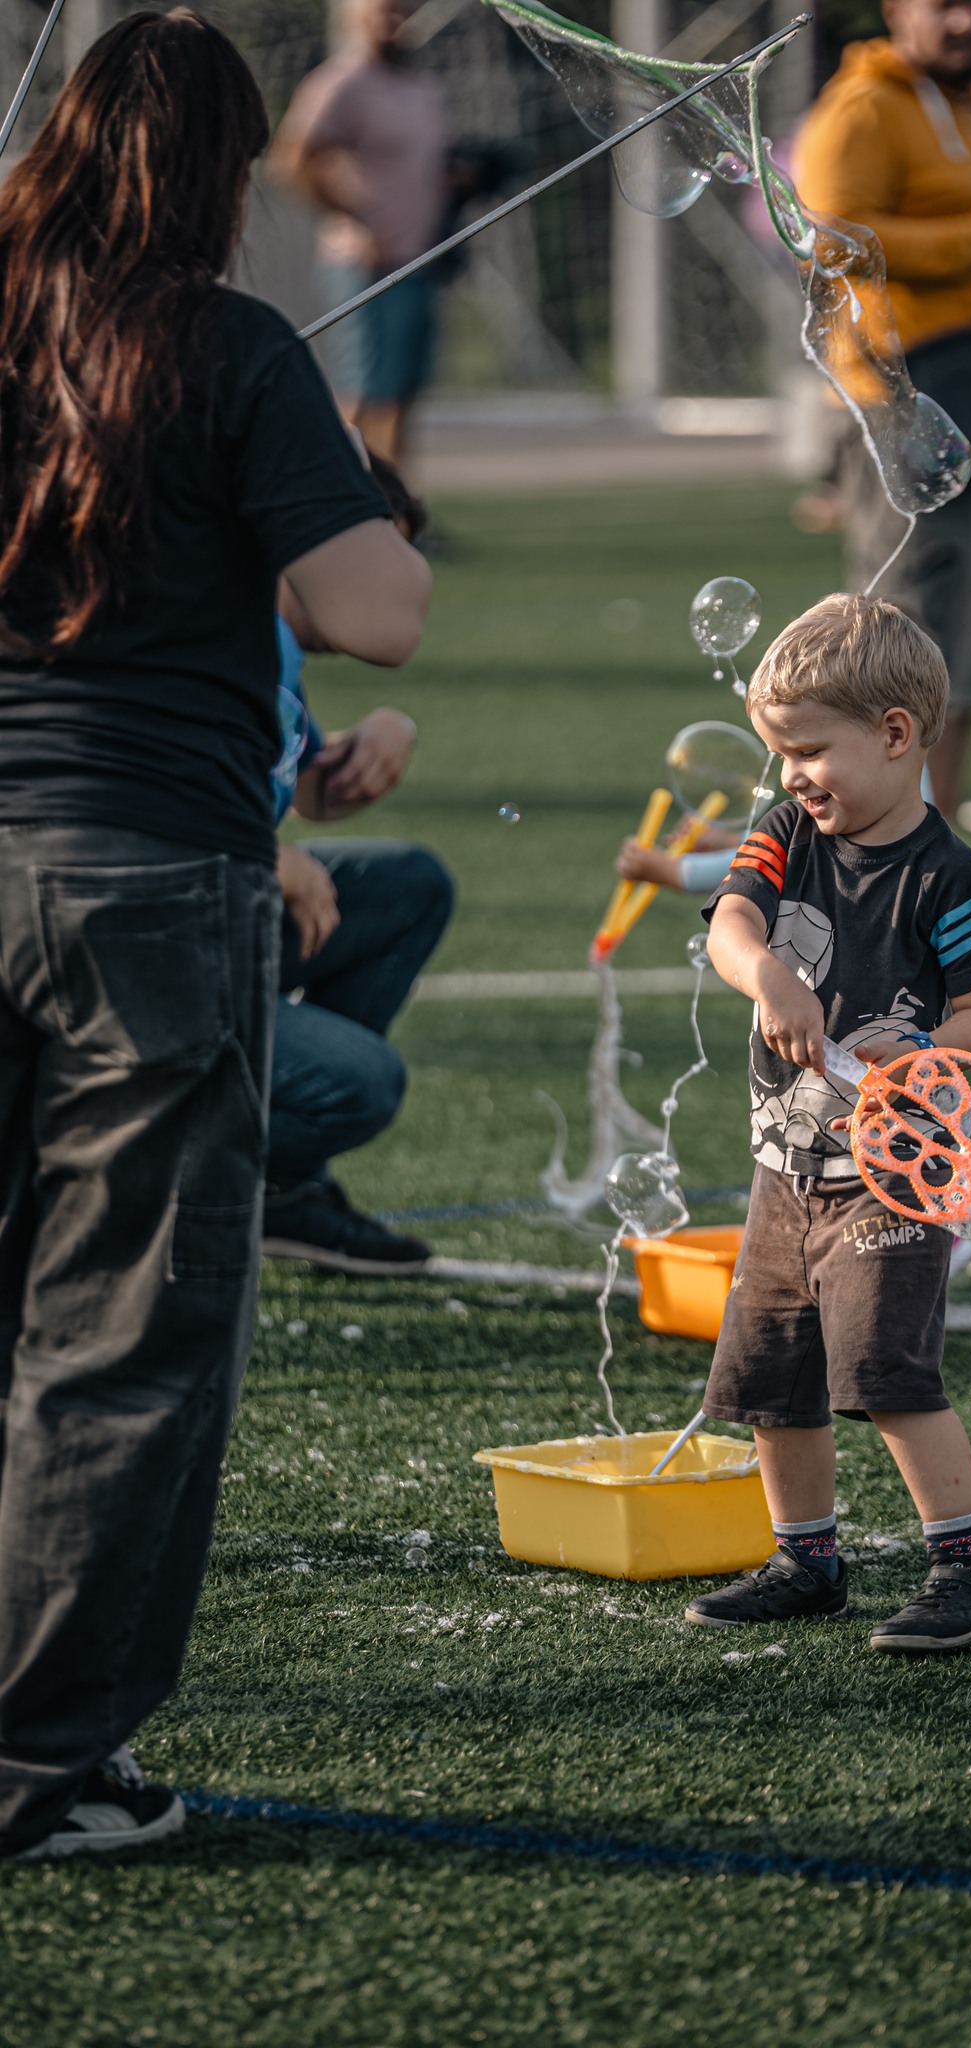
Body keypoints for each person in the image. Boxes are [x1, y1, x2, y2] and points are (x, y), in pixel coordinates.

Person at [0, 11, 430, 1863]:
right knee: (121, 1340)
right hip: (149, 883)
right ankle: (37, 1765)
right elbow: (378, 609)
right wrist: (329, 494)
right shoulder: (230, 344)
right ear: (223, 173)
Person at [685, 594, 971, 1652]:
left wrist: (922, 1053)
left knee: (885, 1371)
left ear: (893, 733)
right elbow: (732, 924)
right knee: (772, 1376)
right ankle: (807, 1559)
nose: (790, 774)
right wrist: (769, 975)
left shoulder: (950, 878)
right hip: (785, 1168)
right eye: (779, 751)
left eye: (807, 750)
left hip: (894, 1173)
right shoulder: (787, 833)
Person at [795, 0, 971, 825]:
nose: (965, 21)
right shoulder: (862, 106)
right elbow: (826, 238)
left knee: (967, 657)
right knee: (906, 655)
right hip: (905, 407)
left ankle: (931, 854)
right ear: (895, 9)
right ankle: (884, 858)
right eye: (942, 4)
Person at [268, 456, 453, 1274]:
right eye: (384, 553)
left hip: (210, 904)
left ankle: (280, 1187)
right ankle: (126, 1179)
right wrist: (260, 858)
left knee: (407, 887)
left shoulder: (277, 650)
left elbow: (305, 785)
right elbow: (125, 799)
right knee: (356, 1081)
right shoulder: (225, 630)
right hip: (147, 931)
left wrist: (381, 733)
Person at [271, 0, 448, 462]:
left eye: (404, 10)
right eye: (384, 10)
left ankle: (395, 498)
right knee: (362, 394)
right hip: (363, 264)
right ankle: (343, 493)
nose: (396, 21)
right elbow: (291, 160)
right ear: (355, 16)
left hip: (418, 260)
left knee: (402, 394)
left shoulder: (419, 86)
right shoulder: (341, 81)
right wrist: (353, 218)